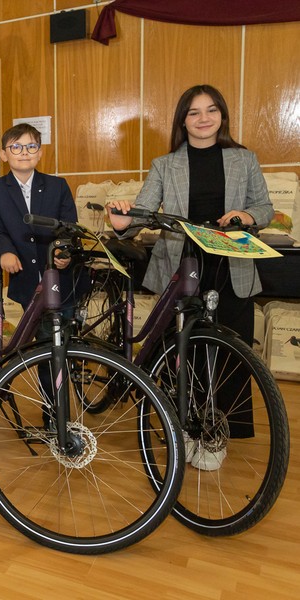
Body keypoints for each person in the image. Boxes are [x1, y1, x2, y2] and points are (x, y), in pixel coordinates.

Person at [106, 84, 273, 470]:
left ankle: (218, 431)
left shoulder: (244, 159)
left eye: (211, 110)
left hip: (231, 266)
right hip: (182, 268)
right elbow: (143, 212)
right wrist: (122, 223)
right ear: (183, 120)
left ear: (222, 116)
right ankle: (182, 423)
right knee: (183, 352)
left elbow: (263, 207)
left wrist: (247, 216)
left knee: (231, 353)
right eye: (194, 112)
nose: (203, 118)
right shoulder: (165, 165)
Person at [0, 123, 79, 430]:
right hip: (27, 280)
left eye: (30, 147)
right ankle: (53, 413)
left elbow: (69, 228)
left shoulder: (57, 186)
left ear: (40, 153)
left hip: (61, 279)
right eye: (16, 147)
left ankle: (58, 415)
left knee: (59, 345)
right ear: (4, 154)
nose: (23, 153)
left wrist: (63, 251)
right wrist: (4, 252)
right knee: (43, 345)